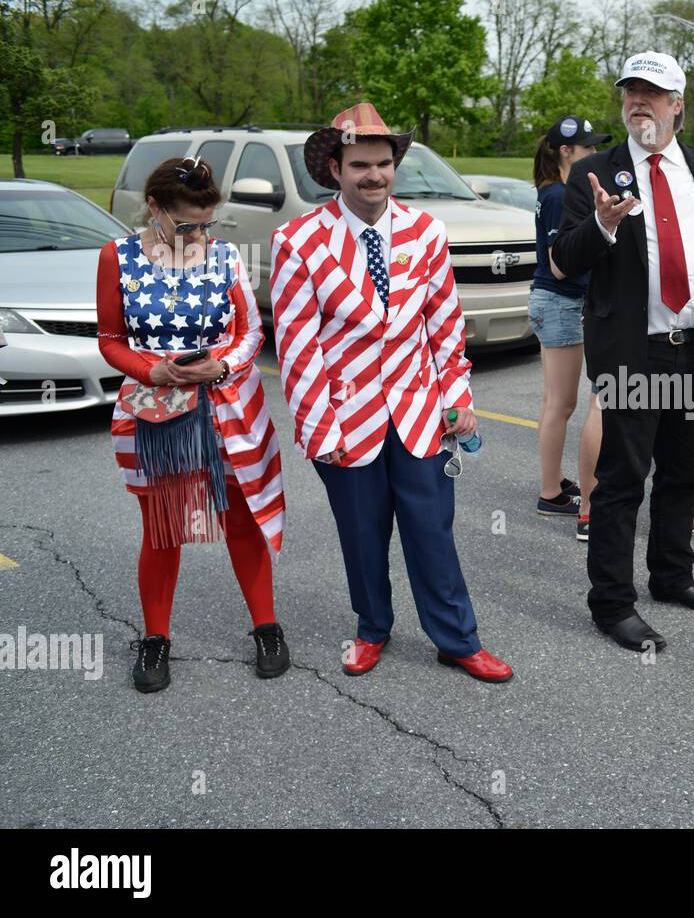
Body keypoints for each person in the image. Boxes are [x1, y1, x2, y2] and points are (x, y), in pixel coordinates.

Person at [269, 103, 512, 683]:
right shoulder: (298, 241)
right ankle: (372, 628)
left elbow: (443, 325)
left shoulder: (424, 231)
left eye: (383, 163)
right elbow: (297, 348)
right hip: (344, 420)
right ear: (335, 168)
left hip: (421, 414)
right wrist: (320, 429)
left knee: (433, 533)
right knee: (362, 535)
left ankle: (457, 640)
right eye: (360, 165)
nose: (373, 175)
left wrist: (457, 398)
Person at [551, 51, 694, 653]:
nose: (639, 102)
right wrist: (601, 226)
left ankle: (672, 577)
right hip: (634, 354)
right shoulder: (595, 172)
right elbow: (564, 261)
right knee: (623, 480)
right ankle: (612, 603)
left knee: (683, 473)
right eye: (630, 92)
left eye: (653, 92)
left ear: (678, 104)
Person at [96, 156, 288, 693]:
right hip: (157, 413)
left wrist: (222, 365)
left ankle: (266, 628)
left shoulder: (227, 254)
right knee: (164, 526)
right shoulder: (117, 257)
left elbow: (252, 332)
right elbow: (110, 339)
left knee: (242, 519)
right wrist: (150, 369)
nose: (199, 234)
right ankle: (156, 638)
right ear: (154, 207)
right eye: (187, 225)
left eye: (207, 222)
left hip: (229, 407)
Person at [530, 115, 611, 539]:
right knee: (561, 404)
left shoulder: (553, 191)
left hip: (551, 302)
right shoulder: (561, 194)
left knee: (554, 403)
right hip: (560, 301)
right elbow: (562, 267)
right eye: (586, 148)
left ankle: (555, 483)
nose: (594, 154)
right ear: (566, 152)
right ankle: (550, 492)